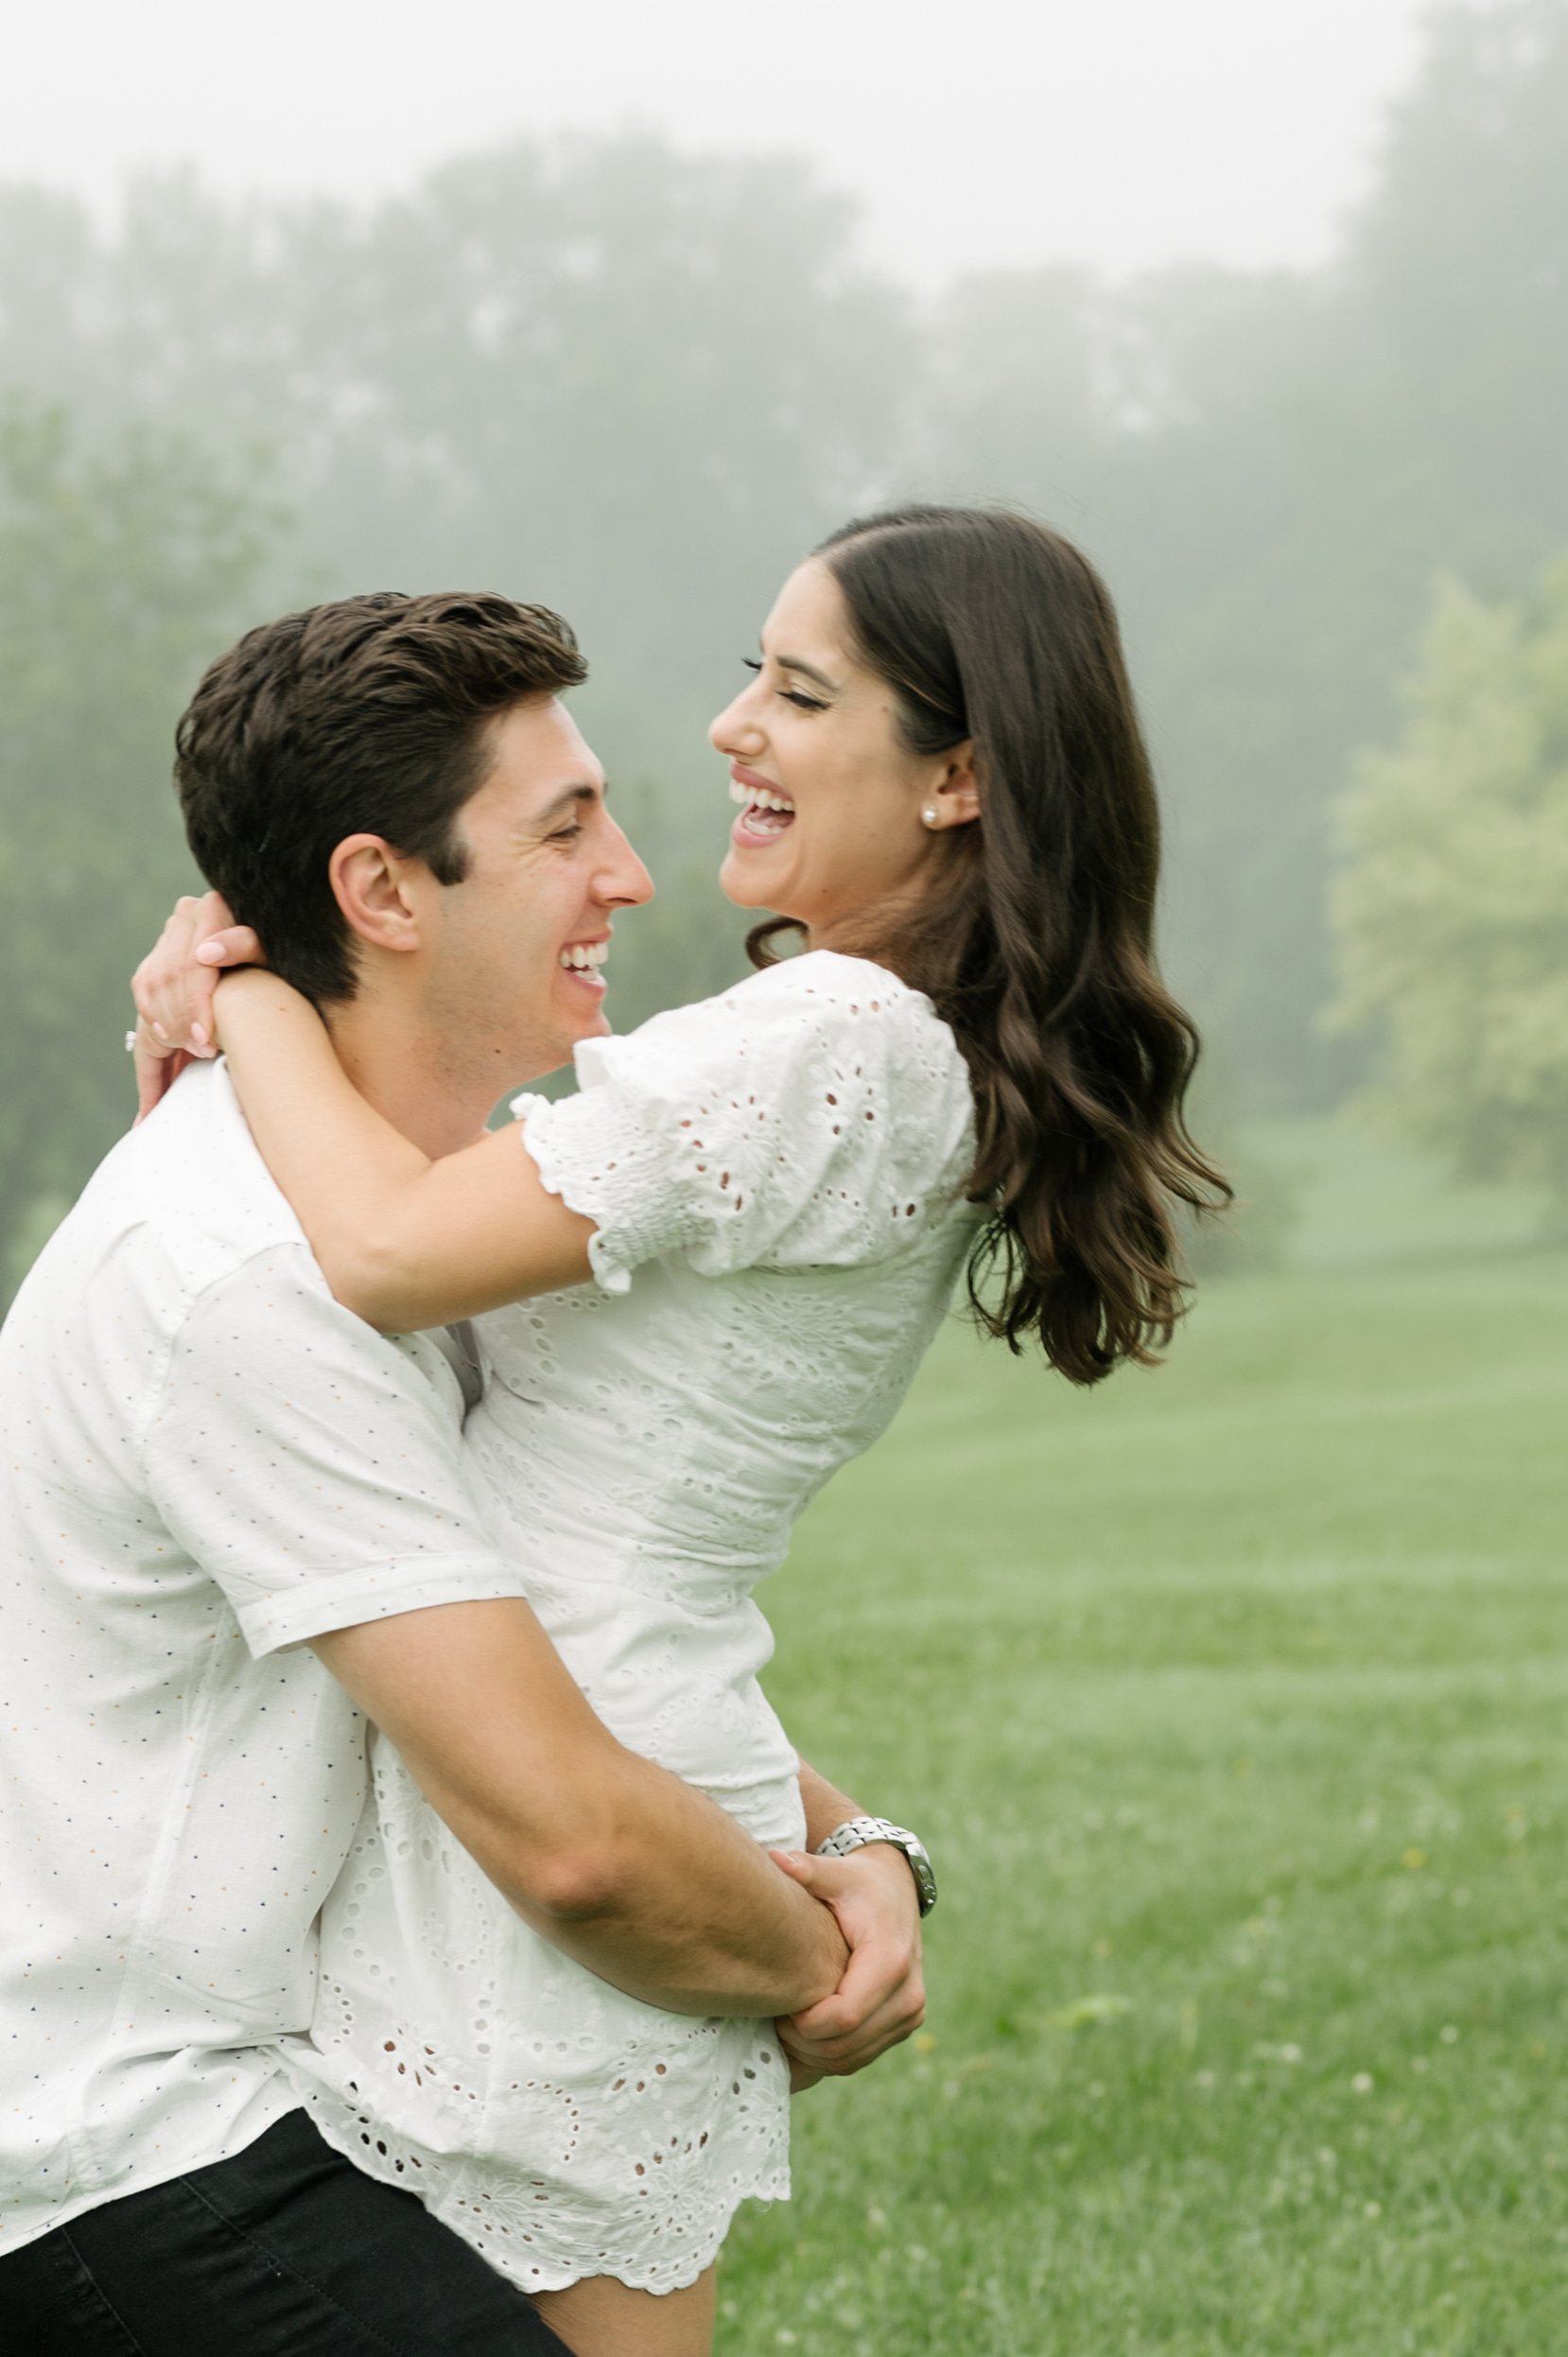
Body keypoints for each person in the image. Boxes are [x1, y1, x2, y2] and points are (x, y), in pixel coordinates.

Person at [131, 506, 1226, 2356]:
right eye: (751, 673)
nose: (731, 727)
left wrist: (250, 995)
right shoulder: (894, 1050)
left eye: (799, 692)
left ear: (954, 778)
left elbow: (392, 1251)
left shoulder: (829, 1038)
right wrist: (864, 1833)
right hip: (589, 1725)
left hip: (568, 1784)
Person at [0, 590, 929, 2357]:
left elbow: (527, 1635)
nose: (633, 877)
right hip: (108, 2156)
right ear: (382, 892)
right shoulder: (248, 1275)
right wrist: (825, 1967)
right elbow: (573, 1840)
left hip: (247, 2100)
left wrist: (860, 1843)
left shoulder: (397, 1224)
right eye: (565, 827)